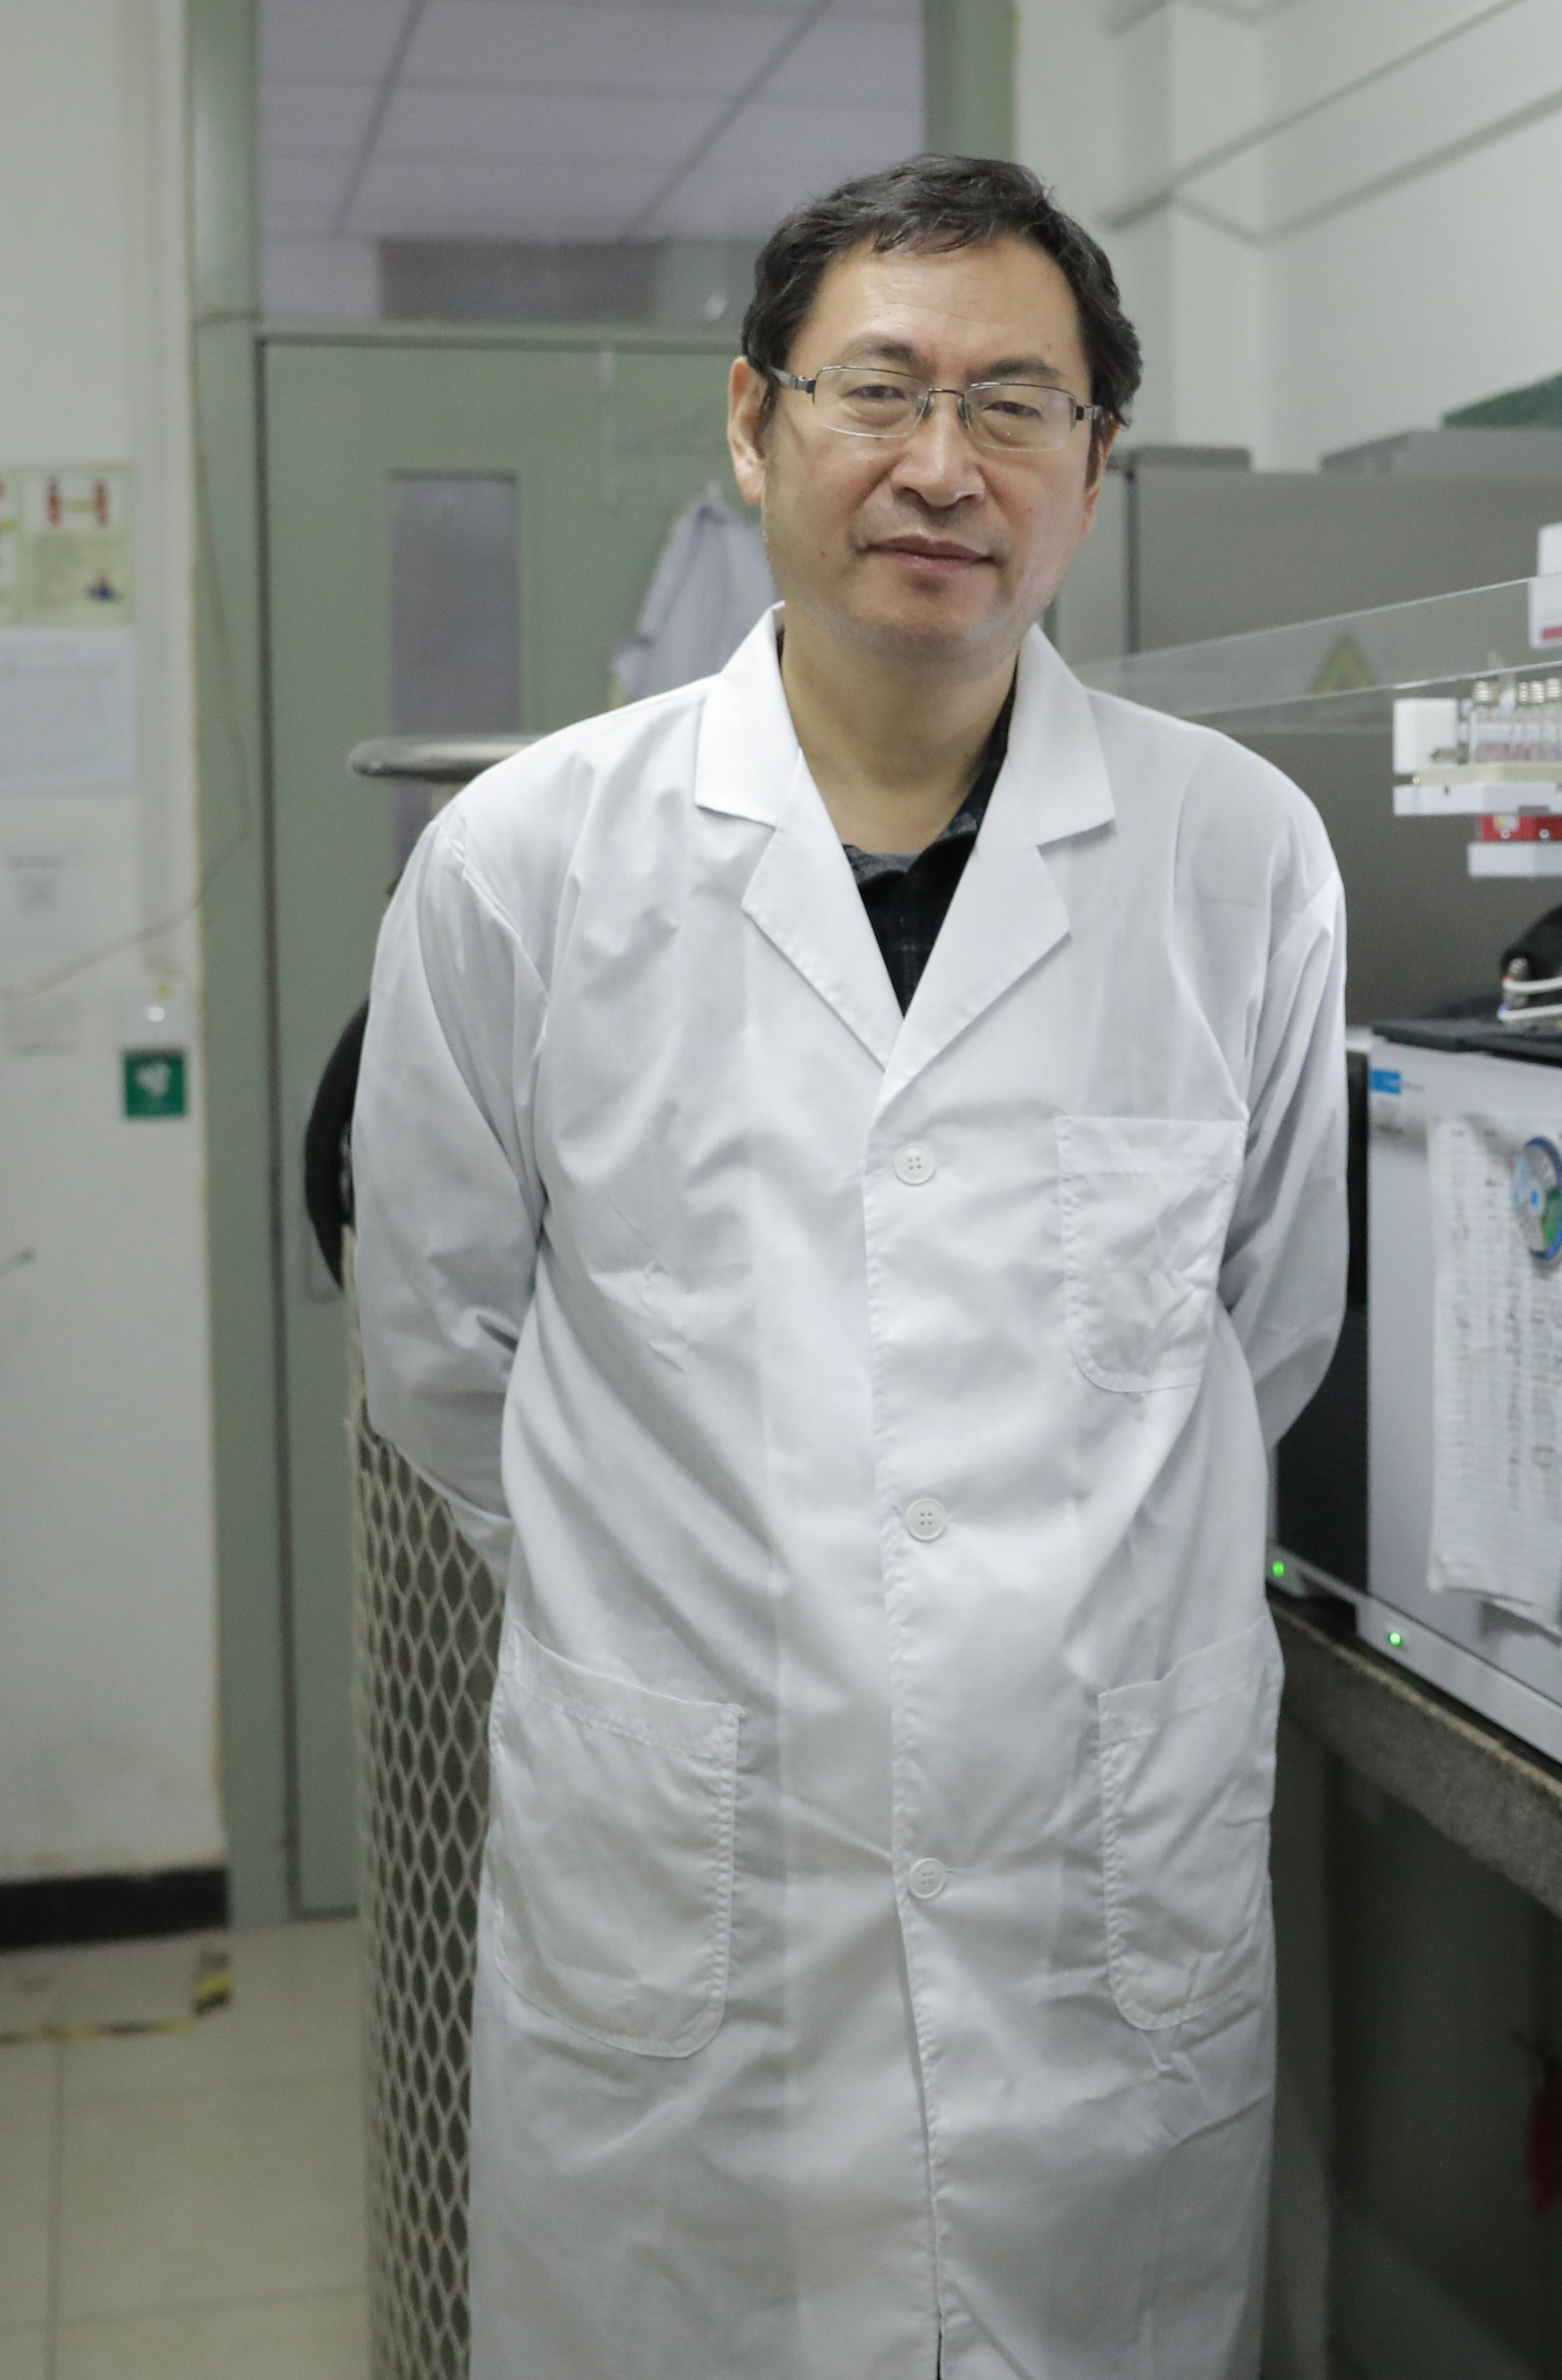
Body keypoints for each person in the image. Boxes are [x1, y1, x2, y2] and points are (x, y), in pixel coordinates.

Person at [353, 153, 1349, 2380]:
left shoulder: (1235, 856)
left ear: (1097, 458)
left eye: (1016, 404)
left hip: (1090, 1899)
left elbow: (1267, 1320)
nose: (942, 465)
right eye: (879, 390)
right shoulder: (528, 863)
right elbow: (438, 1348)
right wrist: (709, 1602)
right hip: (692, 1896)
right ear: (754, 422)